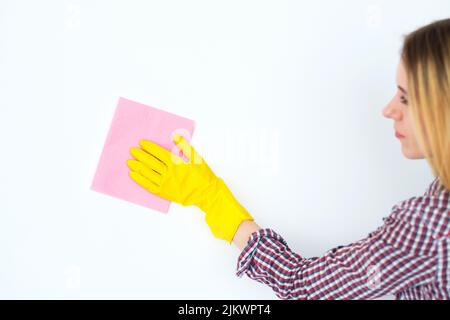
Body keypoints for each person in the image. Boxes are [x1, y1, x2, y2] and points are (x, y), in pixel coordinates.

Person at [126, 18, 450, 300]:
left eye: (405, 98)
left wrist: (212, 200)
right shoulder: (438, 197)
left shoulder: (432, 225)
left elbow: (302, 287)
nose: (389, 109)